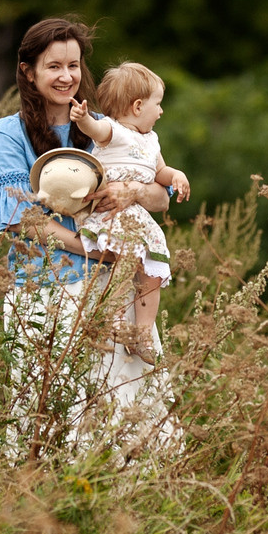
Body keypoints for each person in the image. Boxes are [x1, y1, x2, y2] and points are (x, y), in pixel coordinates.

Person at [0, 17, 171, 456]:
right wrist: (97, 251)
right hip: (44, 287)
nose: (66, 76)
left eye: (73, 65)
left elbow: (161, 194)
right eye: (54, 66)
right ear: (29, 71)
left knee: (127, 410)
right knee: (54, 414)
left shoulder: (106, 126)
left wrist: (132, 191)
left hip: (112, 292)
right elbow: (21, 217)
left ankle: (133, 514)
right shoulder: (9, 133)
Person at [73, 62, 189, 363]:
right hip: (113, 216)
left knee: (152, 271)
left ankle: (142, 333)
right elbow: (94, 129)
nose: (161, 111)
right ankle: (112, 320)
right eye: (157, 104)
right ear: (138, 106)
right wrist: (84, 118)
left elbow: (160, 171)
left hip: (138, 219)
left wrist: (176, 176)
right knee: (126, 265)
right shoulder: (114, 131)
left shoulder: (151, 140)